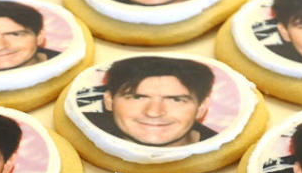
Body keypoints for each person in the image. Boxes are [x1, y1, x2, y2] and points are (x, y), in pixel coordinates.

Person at [84, 56, 217, 147]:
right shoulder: (85, 131)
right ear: (109, 101)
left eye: (176, 100)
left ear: (201, 108)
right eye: (137, 98)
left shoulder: (216, 143)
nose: (154, 112)